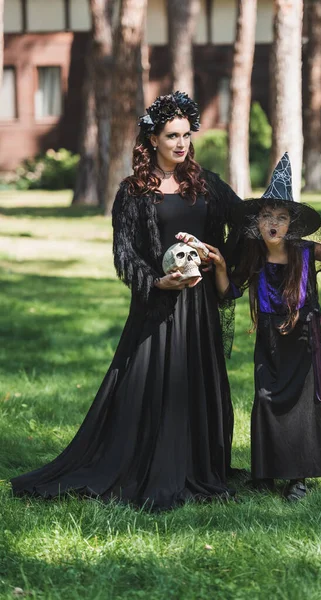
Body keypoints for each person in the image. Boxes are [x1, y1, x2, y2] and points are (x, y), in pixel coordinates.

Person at [11, 92, 242, 510]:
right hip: (158, 304)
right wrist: (157, 283)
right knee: (145, 386)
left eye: (186, 136)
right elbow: (124, 255)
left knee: (199, 380)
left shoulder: (207, 184)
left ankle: (199, 466)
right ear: (152, 138)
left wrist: (220, 261)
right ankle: (147, 462)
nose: (181, 144)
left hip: (200, 306)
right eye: (172, 136)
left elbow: (243, 225)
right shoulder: (134, 191)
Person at [202, 153, 321, 501]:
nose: (273, 223)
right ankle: (266, 472)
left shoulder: (306, 251)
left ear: (291, 224)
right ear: (257, 223)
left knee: (303, 402)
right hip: (269, 336)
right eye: (267, 217)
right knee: (265, 397)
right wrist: (219, 265)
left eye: (281, 217)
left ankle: (299, 478)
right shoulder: (253, 255)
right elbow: (229, 291)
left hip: (304, 334)